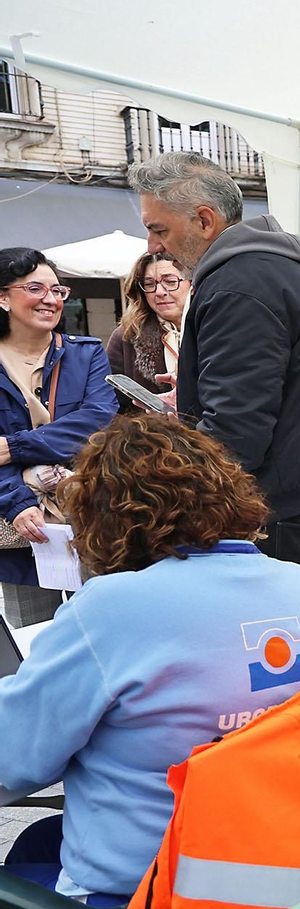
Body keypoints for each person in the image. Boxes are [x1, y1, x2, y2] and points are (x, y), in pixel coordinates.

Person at [0, 413, 300, 909]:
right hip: (291, 903)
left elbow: (11, 761)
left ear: (104, 516)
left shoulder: (113, 609)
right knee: (38, 844)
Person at [129, 152, 300, 603]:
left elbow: (237, 428)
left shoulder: (238, 284)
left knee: (280, 659)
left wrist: (182, 508)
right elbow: (292, 384)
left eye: (157, 228)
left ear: (203, 219)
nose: (151, 245)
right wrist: (195, 396)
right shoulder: (284, 266)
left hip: (281, 507)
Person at [0, 248, 117, 626]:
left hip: (91, 508)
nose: (50, 300)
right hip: (24, 524)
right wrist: (17, 505)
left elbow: (97, 422)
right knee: (34, 638)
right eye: (36, 288)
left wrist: (16, 446)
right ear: (3, 297)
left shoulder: (86, 354)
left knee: (106, 627)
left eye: (58, 290)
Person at [107, 252, 187, 409]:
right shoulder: (126, 336)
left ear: (192, 283)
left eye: (170, 282)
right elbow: (112, 404)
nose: (159, 292)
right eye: (150, 284)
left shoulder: (216, 328)